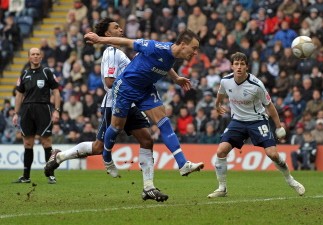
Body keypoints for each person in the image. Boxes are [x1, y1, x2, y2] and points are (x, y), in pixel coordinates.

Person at [45, 18, 169, 202]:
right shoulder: (111, 51)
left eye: (120, 26)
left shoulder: (120, 52)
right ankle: (60, 156)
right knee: (98, 147)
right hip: (115, 103)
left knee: (147, 139)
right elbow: (109, 82)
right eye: (116, 27)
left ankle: (148, 188)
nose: (121, 29)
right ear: (108, 34)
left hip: (130, 103)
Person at [84, 28, 204, 177]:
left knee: (164, 122)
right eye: (194, 48)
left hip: (146, 89)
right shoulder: (154, 47)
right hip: (126, 87)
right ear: (183, 44)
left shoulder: (173, 55)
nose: (195, 52)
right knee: (116, 127)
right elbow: (126, 42)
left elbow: (166, 65)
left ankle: (183, 164)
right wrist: (99, 39)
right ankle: (107, 158)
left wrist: (176, 78)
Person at [207, 52, 305, 198]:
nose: (239, 67)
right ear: (232, 66)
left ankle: (290, 180)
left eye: (242, 64)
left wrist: (278, 126)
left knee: (272, 154)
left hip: (257, 120)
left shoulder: (256, 85)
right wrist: (217, 104)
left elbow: (270, 106)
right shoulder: (225, 81)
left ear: (247, 66)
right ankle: (222, 188)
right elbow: (221, 93)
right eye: (236, 64)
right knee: (221, 151)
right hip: (237, 121)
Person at [12, 47, 61, 184]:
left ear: (41, 57)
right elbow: (19, 95)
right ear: (29, 57)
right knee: (28, 143)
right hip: (26, 110)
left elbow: (56, 91)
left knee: (46, 142)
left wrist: (56, 110)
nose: (35, 56)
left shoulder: (47, 72)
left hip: (43, 109)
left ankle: (50, 174)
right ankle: (26, 176)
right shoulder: (24, 74)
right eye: (32, 54)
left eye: (37, 54)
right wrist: (16, 113)